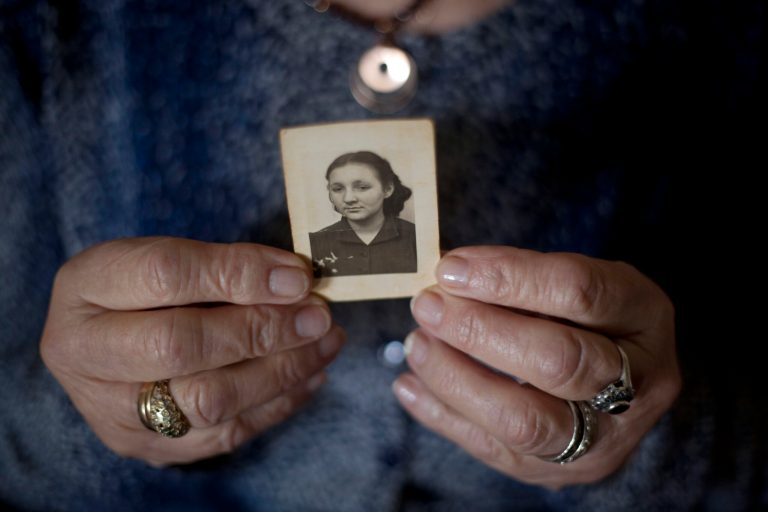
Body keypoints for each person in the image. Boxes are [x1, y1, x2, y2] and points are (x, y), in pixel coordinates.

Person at [0, 1, 765, 510]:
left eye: (365, 185)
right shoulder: (56, 24)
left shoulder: (715, 25)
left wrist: (652, 435)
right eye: (341, 188)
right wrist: (88, 416)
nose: (353, 198)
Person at [309, 151, 417, 277]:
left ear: (387, 189)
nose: (348, 199)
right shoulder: (314, 243)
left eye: (362, 187)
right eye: (338, 189)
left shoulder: (416, 237)